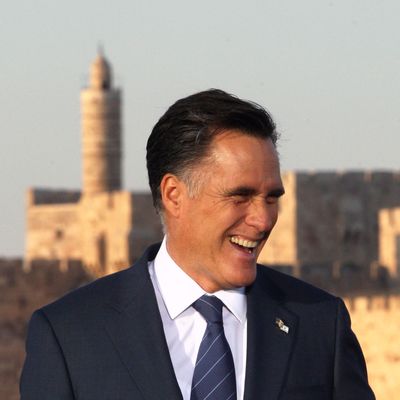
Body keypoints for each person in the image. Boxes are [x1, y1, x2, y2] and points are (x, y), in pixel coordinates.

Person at [20, 89, 375, 399]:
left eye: (271, 198)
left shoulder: (320, 326)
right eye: (241, 196)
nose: (263, 219)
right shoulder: (71, 335)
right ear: (174, 195)